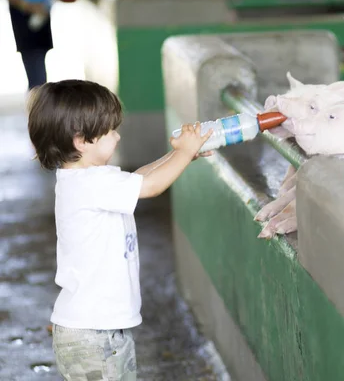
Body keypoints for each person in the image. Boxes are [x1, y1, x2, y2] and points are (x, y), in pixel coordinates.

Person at [27, 79, 214, 380]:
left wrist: (180, 156)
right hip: (94, 337)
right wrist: (182, 153)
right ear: (81, 141)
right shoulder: (90, 184)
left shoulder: (87, 179)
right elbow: (150, 187)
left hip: (97, 333)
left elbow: (139, 178)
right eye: (110, 131)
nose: (116, 137)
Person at [0, 0, 53, 90]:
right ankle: (37, 101)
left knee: (39, 59)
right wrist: (27, 5)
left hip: (43, 11)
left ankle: (39, 98)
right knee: (35, 68)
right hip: (23, 13)